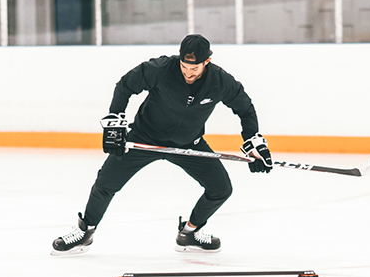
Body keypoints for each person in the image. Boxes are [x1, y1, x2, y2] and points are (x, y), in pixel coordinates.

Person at [51, 34, 273, 256]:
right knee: (105, 184)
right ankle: (85, 231)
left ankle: (189, 233)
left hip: (189, 145)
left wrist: (252, 141)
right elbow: (125, 85)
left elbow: (245, 109)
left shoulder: (220, 82)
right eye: (185, 66)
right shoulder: (160, 69)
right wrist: (116, 122)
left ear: (207, 61)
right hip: (143, 139)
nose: (188, 72)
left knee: (221, 189)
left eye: (194, 68)